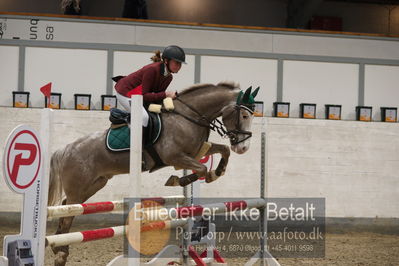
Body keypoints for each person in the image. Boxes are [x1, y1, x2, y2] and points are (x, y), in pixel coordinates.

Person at [113, 45, 186, 126]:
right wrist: (166, 94)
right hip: (126, 93)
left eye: (180, 64)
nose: (179, 66)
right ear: (166, 61)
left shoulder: (169, 77)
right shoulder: (152, 70)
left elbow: (157, 97)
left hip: (138, 96)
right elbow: (144, 95)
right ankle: (133, 138)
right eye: (176, 62)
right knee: (144, 117)